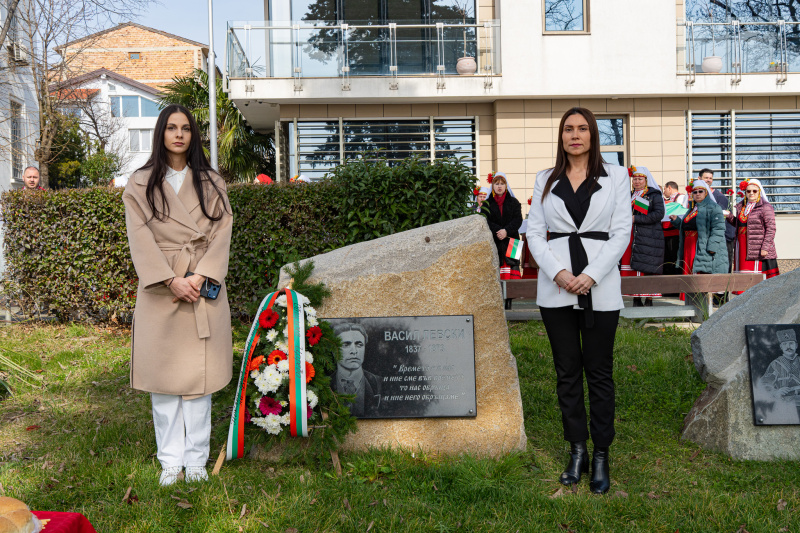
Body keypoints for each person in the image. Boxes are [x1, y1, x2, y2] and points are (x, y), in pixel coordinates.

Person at [123, 104, 233, 486]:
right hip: (161, 290)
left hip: (202, 287)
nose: (179, 134)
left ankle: (196, 458)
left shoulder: (212, 182)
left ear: (193, 135)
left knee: (200, 383)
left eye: (185, 128)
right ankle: (171, 460)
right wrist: (171, 280)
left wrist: (200, 275)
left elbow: (223, 231)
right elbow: (139, 237)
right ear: (161, 133)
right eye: (171, 128)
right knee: (164, 381)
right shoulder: (140, 183)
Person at [526, 107, 631, 495]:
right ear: (561, 136)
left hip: (600, 286)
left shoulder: (616, 176)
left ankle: (601, 454)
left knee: (599, 372)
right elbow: (534, 232)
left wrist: (591, 275)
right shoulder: (545, 179)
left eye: (582, 128)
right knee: (567, 372)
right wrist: (559, 273)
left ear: (592, 135)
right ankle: (577, 450)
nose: (575, 135)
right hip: (556, 288)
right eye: (568, 129)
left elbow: (621, 232)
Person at [619, 166, 665, 307]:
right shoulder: (629, 195)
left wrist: (636, 219)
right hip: (632, 236)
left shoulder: (653, 195)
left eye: (640, 179)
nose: (637, 182)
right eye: (635, 179)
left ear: (646, 180)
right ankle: (636, 297)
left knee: (645, 266)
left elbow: (659, 214)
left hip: (648, 237)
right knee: (632, 265)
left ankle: (649, 299)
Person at [480, 171, 523, 307]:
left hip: (513, 240)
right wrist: (498, 230)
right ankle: (498, 303)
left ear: (506, 186)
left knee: (512, 269)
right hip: (495, 240)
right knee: (496, 269)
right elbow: (485, 220)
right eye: (497, 184)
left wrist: (506, 231)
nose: (499, 186)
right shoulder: (487, 204)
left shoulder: (514, 202)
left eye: (502, 184)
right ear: (493, 186)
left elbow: (518, 220)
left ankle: (509, 302)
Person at [670, 180, 728, 276]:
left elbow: (718, 228)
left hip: (701, 245)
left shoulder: (714, 207)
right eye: (695, 192)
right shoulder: (692, 209)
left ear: (706, 192)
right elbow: (687, 227)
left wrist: (712, 246)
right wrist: (676, 220)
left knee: (699, 273)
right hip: (688, 245)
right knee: (688, 271)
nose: (697, 194)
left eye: (700, 191)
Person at [728, 179, 780, 280]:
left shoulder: (765, 207)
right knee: (742, 275)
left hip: (756, 245)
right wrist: (729, 216)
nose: (751, 193)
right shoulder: (741, 207)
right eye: (748, 191)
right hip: (741, 245)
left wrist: (765, 247)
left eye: (754, 191)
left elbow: (771, 229)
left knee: (755, 277)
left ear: (759, 192)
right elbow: (740, 224)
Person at [330, 323, 381, 417]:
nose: (354, 351)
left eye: (359, 345)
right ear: (334, 351)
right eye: (346, 345)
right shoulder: (326, 384)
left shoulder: (379, 383)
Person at [760, 329, 800, 423]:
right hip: (784, 406)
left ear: (796, 345)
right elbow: (763, 384)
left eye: (791, 343)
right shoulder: (775, 364)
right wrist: (776, 392)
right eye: (785, 344)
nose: (788, 347)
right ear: (781, 347)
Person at [662, 181, 689, 278]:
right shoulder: (670, 199)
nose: (664, 192)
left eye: (665, 189)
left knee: (674, 257)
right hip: (667, 233)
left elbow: (683, 212)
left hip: (675, 233)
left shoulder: (681, 198)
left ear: (669, 188)